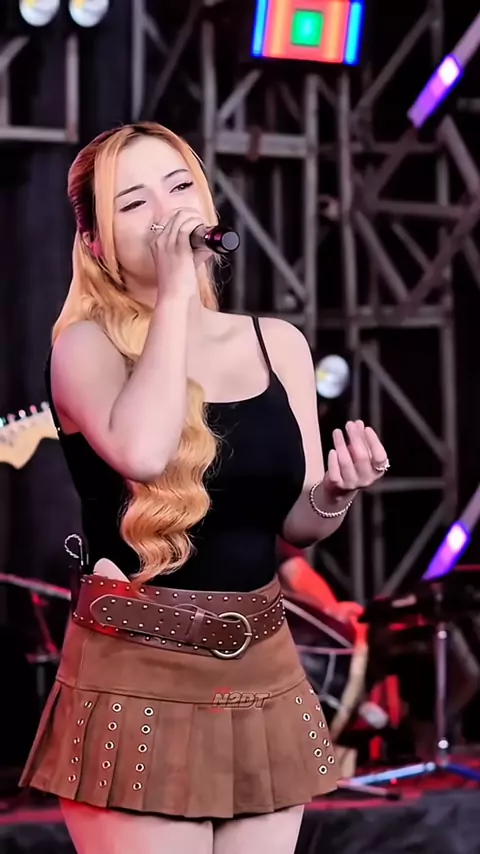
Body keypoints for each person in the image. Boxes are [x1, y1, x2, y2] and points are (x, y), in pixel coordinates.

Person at [20, 122, 389, 854]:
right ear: (95, 241)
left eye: (180, 186)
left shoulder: (278, 343)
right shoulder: (86, 346)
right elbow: (144, 451)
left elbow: (296, 525)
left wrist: (337, 493)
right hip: (138, 672)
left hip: (261, 666)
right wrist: (175, 301)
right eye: (134, 202)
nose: (167, 212)